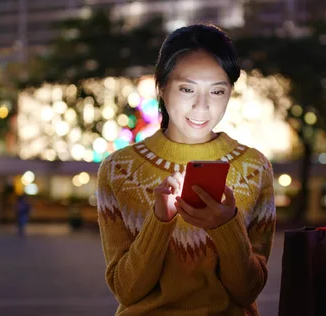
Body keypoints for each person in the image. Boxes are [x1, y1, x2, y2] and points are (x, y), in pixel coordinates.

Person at [96, 24, 276, 315]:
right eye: (187, 88)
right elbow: (127, 290)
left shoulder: (253, 168)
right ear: (162, 88)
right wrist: (160, 221)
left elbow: (247, 289)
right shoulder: (120, 169)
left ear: (230, 92)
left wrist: (226, 226)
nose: (201, 106)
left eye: (217, 91)